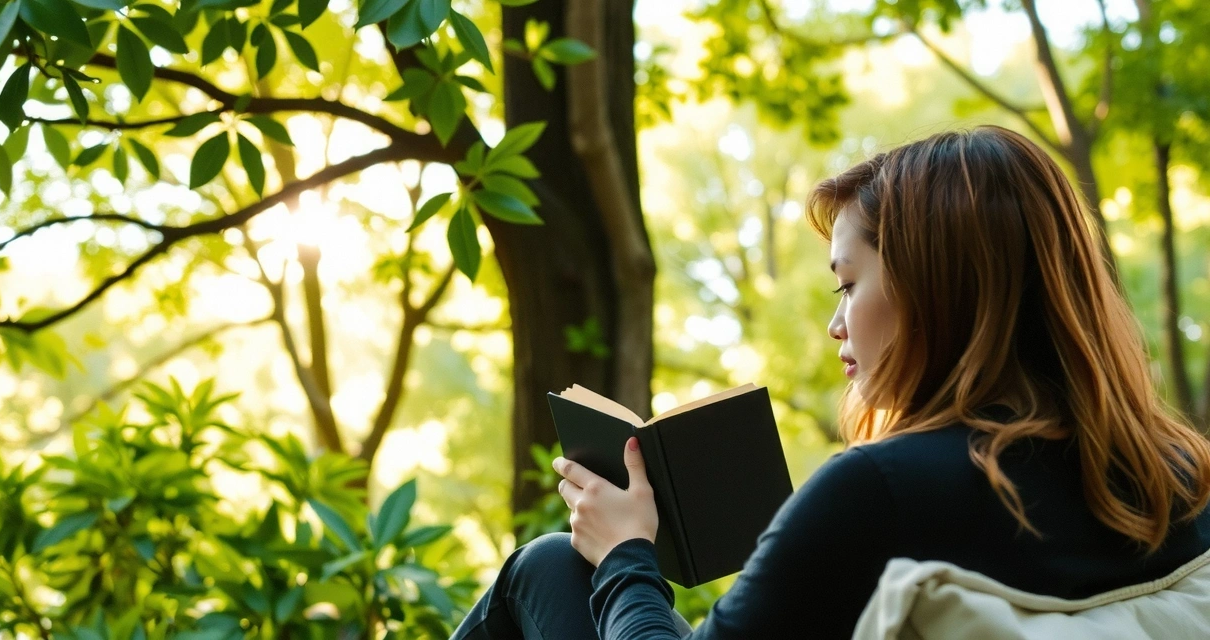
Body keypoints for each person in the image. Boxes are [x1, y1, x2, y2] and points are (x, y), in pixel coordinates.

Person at [448, 126, 1210, 639]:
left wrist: (624, 552)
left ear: (934, 288)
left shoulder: (881, 491)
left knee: (550, 563)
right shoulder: (1179, 479)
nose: (835, 325)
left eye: (848, 284)